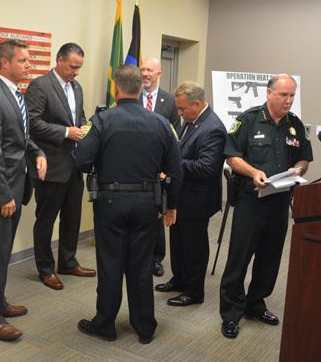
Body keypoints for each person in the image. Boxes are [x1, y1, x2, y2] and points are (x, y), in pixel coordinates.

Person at [73, 64, 182, 344]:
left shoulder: (102, 121)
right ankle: (144, 327)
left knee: (110, 265)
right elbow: (175, 169)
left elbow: (82, 161)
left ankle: (105, 324)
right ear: (141, 89)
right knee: (142, 267)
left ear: (115, 88)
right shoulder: (160, 123)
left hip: (111, 203)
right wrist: (171, 204)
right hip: (148, 203)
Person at [219, 74, 312, 339]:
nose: (289, 100)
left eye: (292, 95)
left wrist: (298, 169)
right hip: (251, 200)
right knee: (240, 257)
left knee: (270, 258)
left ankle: (255, 303)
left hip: (280, 201)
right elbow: (232, 157)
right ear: (269, 93)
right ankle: (231, 313)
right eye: (284, 95)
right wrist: (253, 172)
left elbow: (305, 158)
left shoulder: (295, 125)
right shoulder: (248, 119)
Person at [0, 39, 47, 342]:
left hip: (17, 188)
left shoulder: (15, 94)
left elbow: (19, 138)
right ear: (4, 63)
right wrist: (3, 195)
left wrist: (38, 152)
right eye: (23, 61)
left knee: (2, 253)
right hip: (0, 194)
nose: (29, 65)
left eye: (29, 60)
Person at [25, 43, 95, 291]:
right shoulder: (40, 86)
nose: (76, 72)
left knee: (72, 218)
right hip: (50, 165)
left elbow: (80, 117)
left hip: (74, 165)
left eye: (79, 68)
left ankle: (68, 261)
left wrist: (86, 129)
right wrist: (66, 132)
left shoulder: (77, 87)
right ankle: (46, 268)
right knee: (46, 220)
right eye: (73, 67)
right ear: (59, 60)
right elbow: (31, 123)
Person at [155, 81, 226, 307]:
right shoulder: (192, 120)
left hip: (198, 199)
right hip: (182, 196)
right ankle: (179, 279)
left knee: (194, 246)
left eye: (183, 108)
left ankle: (195, 291)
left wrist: (174, 165)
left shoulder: (213, 128)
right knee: (178, 242)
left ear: (197, 104)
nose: (179, 113)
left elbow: (207, 168)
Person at [139, 56, 180, 278]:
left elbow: (175, 138)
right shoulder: (131, 97)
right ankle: (138, 256)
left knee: (157, 212)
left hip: (159, 169)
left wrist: (167, 168)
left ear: (159, 74)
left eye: (149, 70)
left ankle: (156, 259)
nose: (145, 74)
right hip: (136, 166)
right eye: (142, 70)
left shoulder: (170, 102)